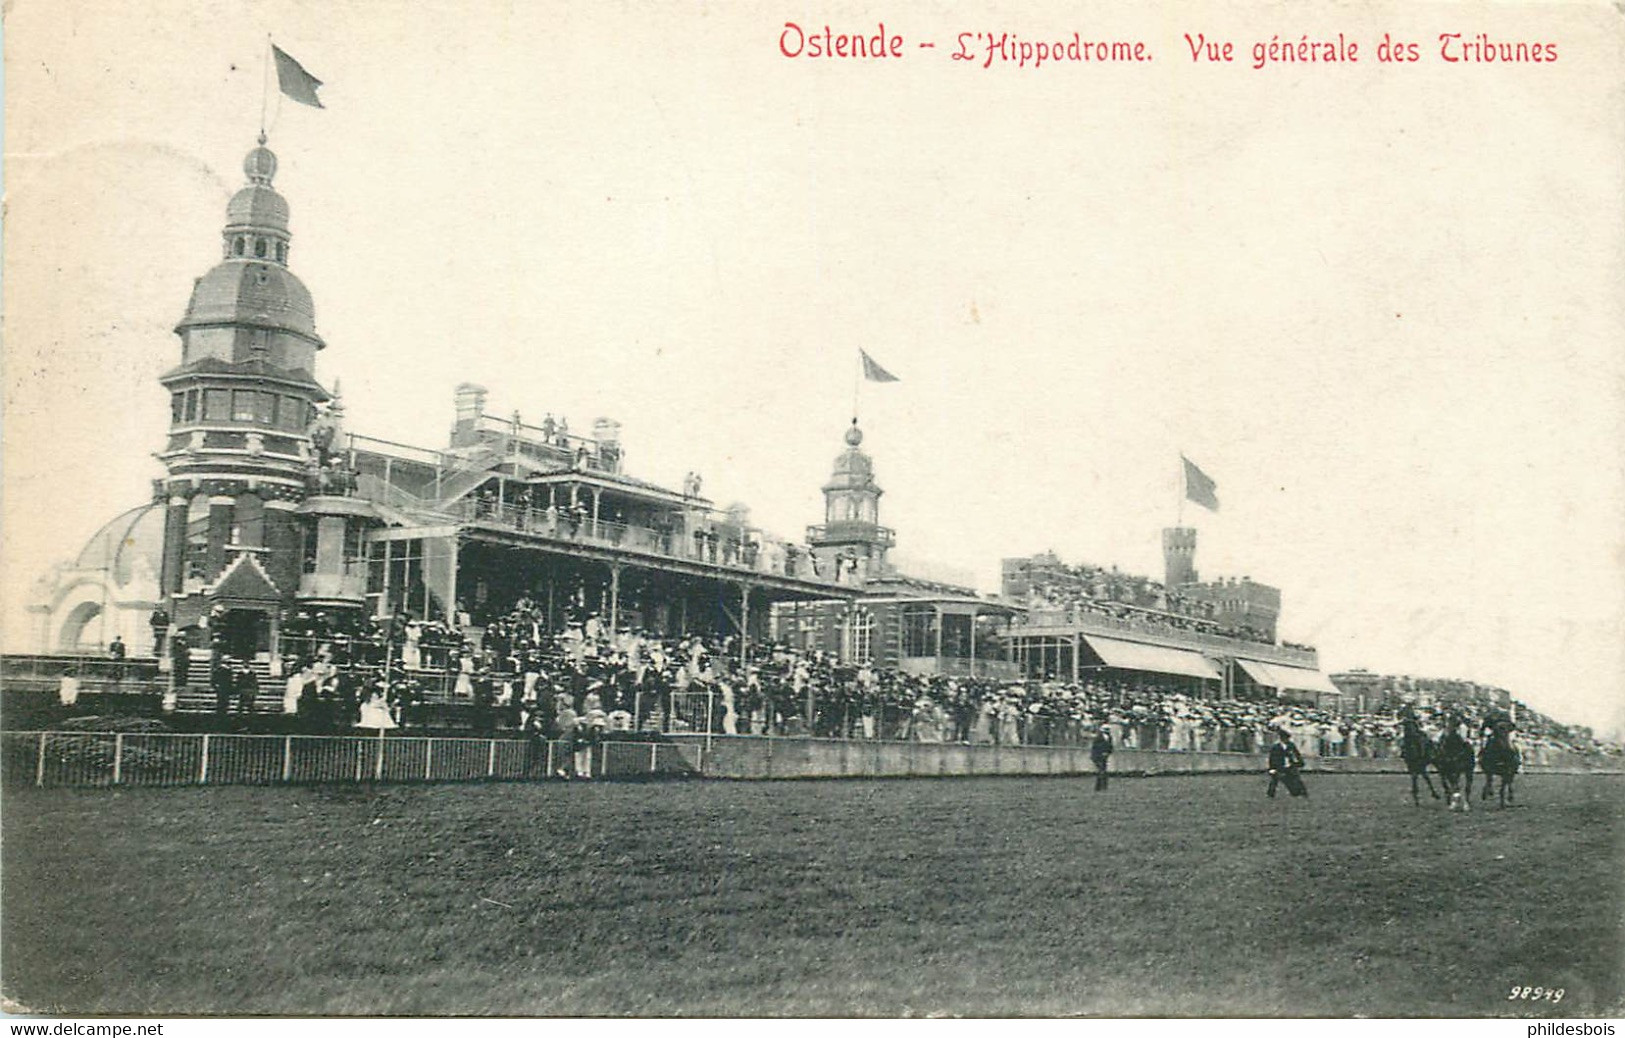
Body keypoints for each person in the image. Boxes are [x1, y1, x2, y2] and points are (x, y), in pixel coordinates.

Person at [1266, 727, 1308, 799]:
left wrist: (1300, 762)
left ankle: (1301, 793)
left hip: (1289, 765)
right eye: (1285, 738)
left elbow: (1297, 754)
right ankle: (1270, 794)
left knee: (1296, 779)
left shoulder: (1291, 745)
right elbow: (1272, 758)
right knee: (1274, 781)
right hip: (1279, 766)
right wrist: (1272, 768)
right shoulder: (1276, 747)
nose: (1286, 740)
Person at [1090, 721, 1114, 792]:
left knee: (1103, 771)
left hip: (1104, 757)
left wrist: (1108, 753)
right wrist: (1102, 753)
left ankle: (1103, 787)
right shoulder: (1098, 737)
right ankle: (1098, 787)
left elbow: (1110, 747)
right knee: (1101, 771)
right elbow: (1095, 747)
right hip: (1097, 756)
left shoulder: (1109, 737)